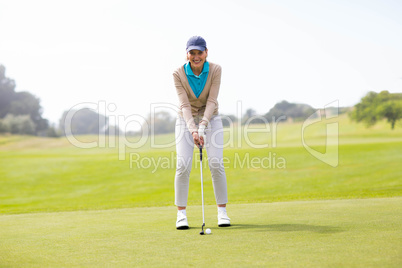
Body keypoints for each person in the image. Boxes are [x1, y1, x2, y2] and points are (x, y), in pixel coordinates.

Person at [173, 36, 230, 229]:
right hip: (185, 119)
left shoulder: (215, 70)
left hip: (211, 118)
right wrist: (193, 129)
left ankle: (222, 211)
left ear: (206, 53)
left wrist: (203, 127)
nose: (196, 56)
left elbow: (212, 100)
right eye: (192, 53)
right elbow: (184, 104)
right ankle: (181, 214)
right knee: (183, 165)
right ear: (187, 54)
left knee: (215, 163)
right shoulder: (178, 74)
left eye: (200, 52)